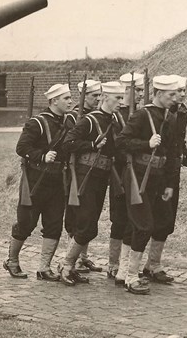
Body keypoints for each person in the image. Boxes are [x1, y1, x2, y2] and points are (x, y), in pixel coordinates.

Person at [116, 75, 179, 295]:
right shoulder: (142, 115)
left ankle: (123, 272)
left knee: (138, 224)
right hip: (137, 175)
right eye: (171, 94)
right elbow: (121, 141)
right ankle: (131, 277)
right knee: (144, 225)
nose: (175, 98)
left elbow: (172, 153)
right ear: (159, 94)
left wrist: (169, 183)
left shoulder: (170, 118)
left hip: (157, 177)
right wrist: (146, 144)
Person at [3, 84, 72, 281]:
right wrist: (42, 156)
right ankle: (12, 261)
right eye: (66, 98)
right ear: (54, 101)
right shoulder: (37, 123)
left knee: (54, 225)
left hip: (58, 182)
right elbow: (22, 147)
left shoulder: (68, 123)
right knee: (26, 223)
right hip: (36, 181)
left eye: (70, 98)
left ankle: (44, 267)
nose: (70, 101)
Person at [59, 82, 124, 285]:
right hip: (85, 176)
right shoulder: (89, 120)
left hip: (102, 177)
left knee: (88, 225)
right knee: (87, 226)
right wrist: (92, 145)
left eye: (122, 98)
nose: (121, 103)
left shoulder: (116, 121)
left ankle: (70, 265)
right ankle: (66, 266)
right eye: (117, 98)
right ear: (104, 97)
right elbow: (68, 143)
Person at [142, 75, 187, 284]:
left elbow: (178, 143)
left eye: (184, 90)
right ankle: (128, 268)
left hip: (171, 170)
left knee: (166, 219)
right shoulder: (158, 111)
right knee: (145, 219)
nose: (182, 95)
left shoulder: (181, 112)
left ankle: (153, 264)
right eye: (178, 91)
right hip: (154, 169)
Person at [63, 79, 103, 274]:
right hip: (74, 169)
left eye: (99, 95)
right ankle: (71, 260)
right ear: (83, 96)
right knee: (77, 216)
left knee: (89, 216)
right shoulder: (73, 117)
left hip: (92, 170)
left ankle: (82, 258)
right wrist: (91, 146)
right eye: (94, 95)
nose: (97, 99)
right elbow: (68, 143)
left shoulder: (97, 116)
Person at [110, 73, 144, 283]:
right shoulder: (115, 115)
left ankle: (125, 266)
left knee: (134, 219)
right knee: (119, 219)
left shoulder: (142, 114)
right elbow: (116, 144)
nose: (140, 95)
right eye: (137, 90)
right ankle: (114, 264)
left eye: (142, 90)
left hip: (137, 172)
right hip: (119, 171)